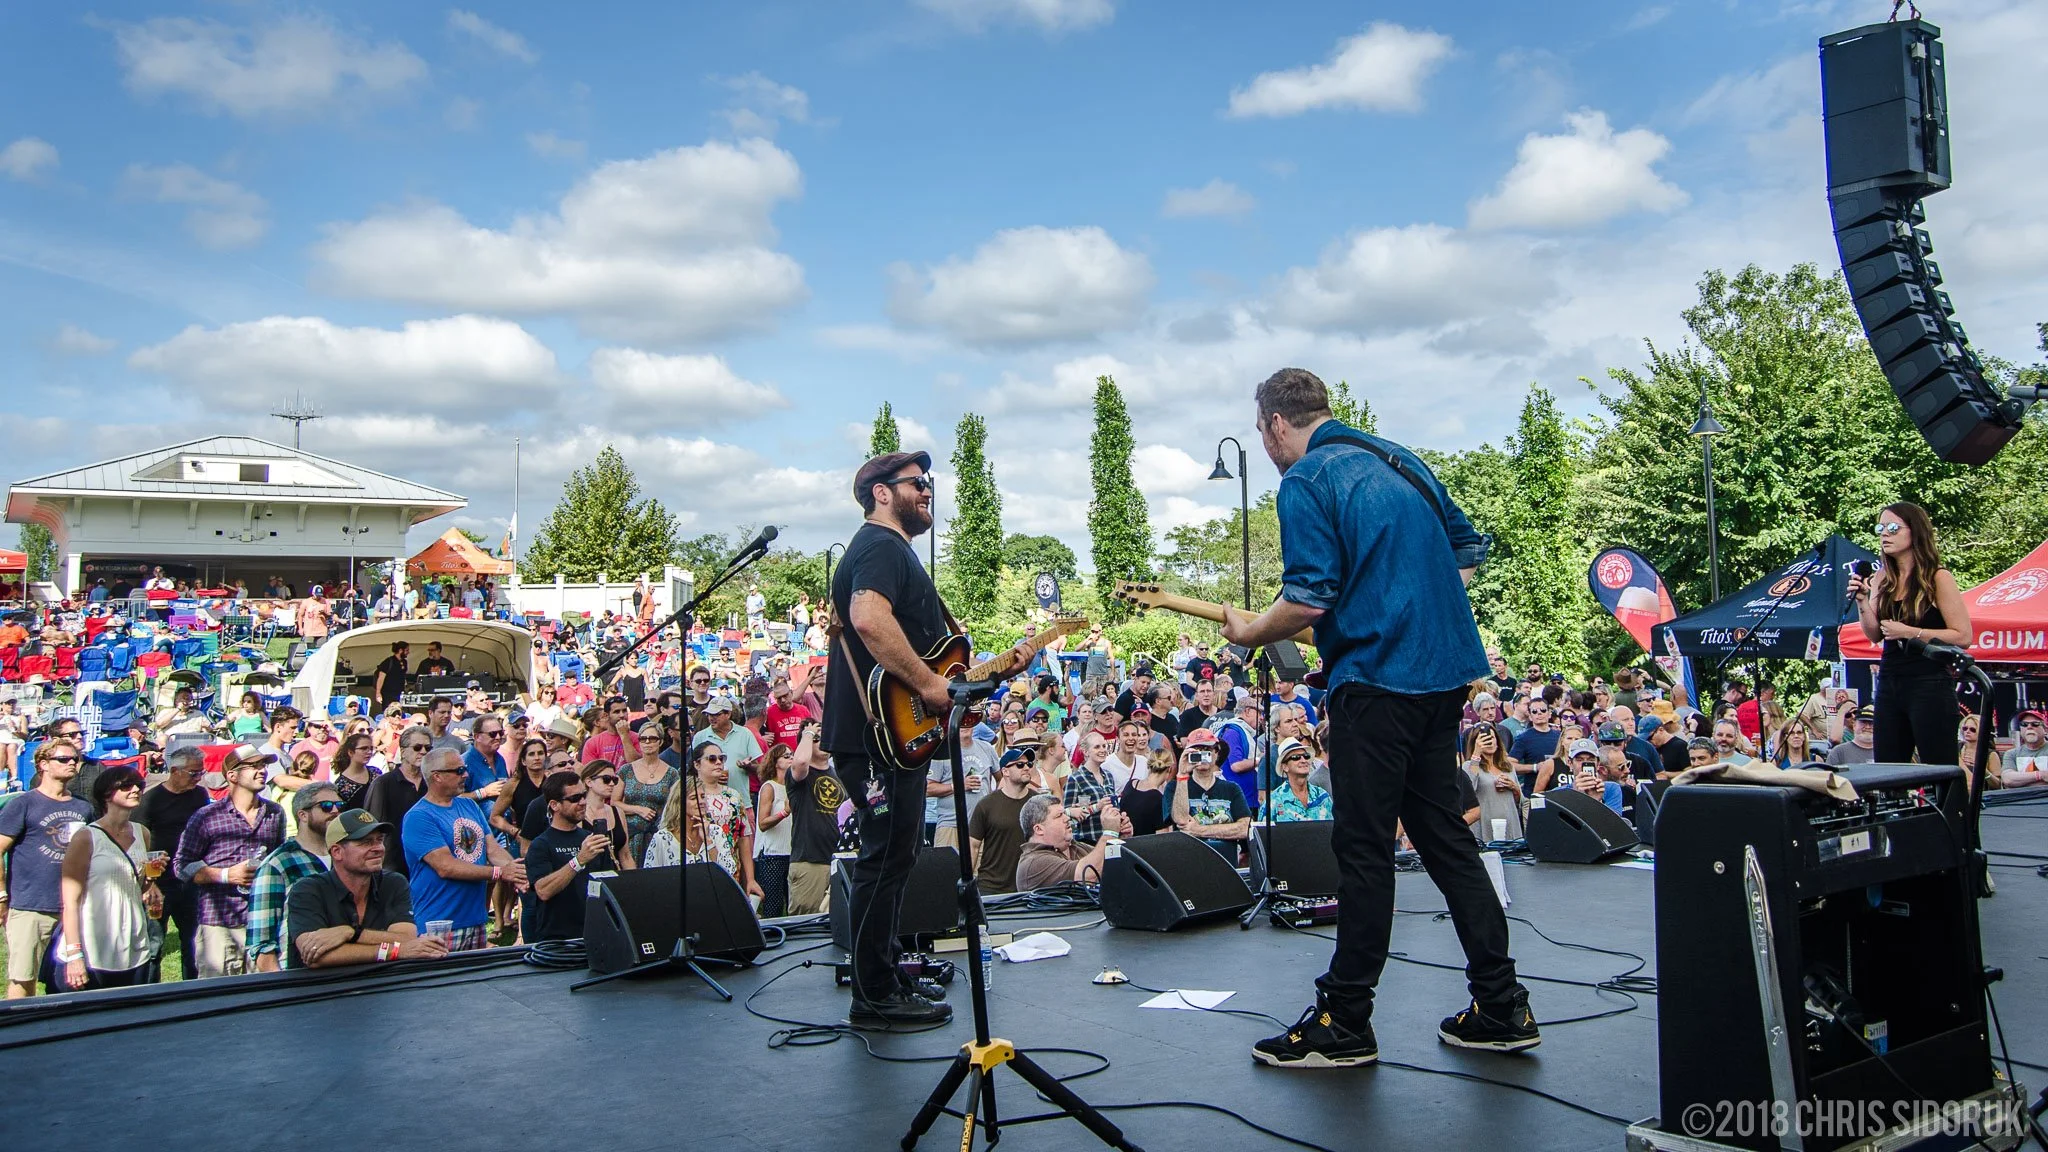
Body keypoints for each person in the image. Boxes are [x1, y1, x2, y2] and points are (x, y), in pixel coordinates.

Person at [1222, 368, 1533, 1069]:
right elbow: (1466, 556)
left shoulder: (1306, 479)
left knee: (1362, 851)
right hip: (1442, 676)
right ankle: (1501, 1003)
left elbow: (1305, 600)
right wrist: (1400, 594)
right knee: (1444, 840)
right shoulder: (1402, 460)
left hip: (1376, 681)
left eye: (1263, 434)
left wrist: (1248, 634)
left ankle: (1345, 1019)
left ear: (1274, 424)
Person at [823, 449, 1036, 1027]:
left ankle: (886, 975)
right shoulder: (880, 545)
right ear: (881, 493)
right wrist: (925, 682)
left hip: (893, 731)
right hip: (875, 734)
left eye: (929, 483)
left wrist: (1000, 669)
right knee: (882, 858)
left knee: (894, 856)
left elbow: (942, 670)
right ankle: (873, 995)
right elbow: (868, 618)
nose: (928, 491)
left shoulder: (889, 551)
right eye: (917, 483)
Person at [1848, 502, 1972, 766]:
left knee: (1938, 765)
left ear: (1915, 532)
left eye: (1893, 528)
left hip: (1929, 681)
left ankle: (1951, 808)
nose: (1884, 534)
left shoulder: (1937, 578)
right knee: (1888, 766)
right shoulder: (1883, 577)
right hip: (1891, 678)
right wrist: (1862, 601)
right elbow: (1874, 634)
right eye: (1880, 528)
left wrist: (1911, 632)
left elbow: (1963, 636)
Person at [171, 745, 287, 979]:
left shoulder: (275, 813)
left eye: (263, 765)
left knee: (263, 1000)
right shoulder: (207, 816)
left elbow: (278, 858)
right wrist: (226, 875)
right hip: (220, 922)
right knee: (218, 999)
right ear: (232, 775)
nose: (262, 770)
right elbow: (181, 865)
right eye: (253, 766)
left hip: (262, 922)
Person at [285, 809, 449, 968]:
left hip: (380, 988)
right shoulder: (307, 890)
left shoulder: (394, 883)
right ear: (337, 852)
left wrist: (351, 933)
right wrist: (395, 951)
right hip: (318, 992)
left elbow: (407, 938)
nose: (378, 848)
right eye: (366, 842)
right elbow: (315, 956)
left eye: (379, 840)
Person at [401, 748, 527, 952]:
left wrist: (517, 872)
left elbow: (493, 850)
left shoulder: (469, 805)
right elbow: (446, 867)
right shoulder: (419, 816)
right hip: (439, 923)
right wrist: (500, 873)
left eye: (465, 769)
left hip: (475, 919)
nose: (466, 775)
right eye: (458, 771)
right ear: (437, 776)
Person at [2, 739, 94, 997]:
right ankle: (19, 1030)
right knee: (23, 978)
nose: (72, 763)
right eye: (63, 759)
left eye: (75, 759)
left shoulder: (83, 807)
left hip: (74, 906)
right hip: (31, 905)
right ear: (43, 764)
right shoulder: (24, 804)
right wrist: (1, 895)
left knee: (73, 978)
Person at [56, 765, 161, 990]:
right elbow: (70, 902)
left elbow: (138, 884)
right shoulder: (86, 837)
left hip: (133, 942)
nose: (135, 790)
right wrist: (74, 955)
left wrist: (152, 883)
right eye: (126, 786)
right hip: (93, 943)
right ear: (107, 794)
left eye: (139, 786)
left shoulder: (142, 833)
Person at [246, 785, 340, 971]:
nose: (336, 811)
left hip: (341, 969)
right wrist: (281, 989)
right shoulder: (277, 864)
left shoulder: (344, 855)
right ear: (302, 815)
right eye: (326, 806)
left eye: (339, 805)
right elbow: (262, 942)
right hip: (295, 973)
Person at [136, 746, 209, 978]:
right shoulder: (150, 800)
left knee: (194, 942)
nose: (198, 778)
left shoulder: (199, 795)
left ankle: (192, 993)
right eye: (193, 773)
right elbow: (138, 843)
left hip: (189, 878)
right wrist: (149, 883)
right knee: (154, 943)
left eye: (201, 773)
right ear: (175, 771)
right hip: (160, 882)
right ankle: (149, 996)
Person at [525, 772, 617, 941]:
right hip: (556, 940)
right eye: (575, 798)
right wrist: (579, 860)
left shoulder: (590, 839)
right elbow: (543, 891)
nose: (583, 802)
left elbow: (608, 885)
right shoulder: (541, 845)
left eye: (583, 795)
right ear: (554, 805)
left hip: (594, 934)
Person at [782, 721, 843, 915]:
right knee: (807, 928)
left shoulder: (839, 774)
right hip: (810, 862)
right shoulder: (800, 775)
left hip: (837, 861)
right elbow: (800, 763)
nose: (822, 741)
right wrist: (808, 733)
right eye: (817, 739)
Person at [1162, 728, 1251, 859]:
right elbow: (1180, 820)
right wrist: (1182, 775)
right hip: (1189, 860)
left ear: (1216, 753)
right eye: (1196, 751)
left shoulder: (1231, 788)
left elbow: (1245, 828)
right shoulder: (1174, 787)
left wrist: (1200, 830)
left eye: (1206, 750)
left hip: (1225, 861)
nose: (1202, 755)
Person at [1014, 794, 1124, 891]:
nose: (1067, 818)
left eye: (1065, 813)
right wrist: (1110, 833)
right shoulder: (1033, 862)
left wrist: (1121, 838)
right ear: (1039, 829)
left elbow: (1114, 866)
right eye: (1059, 816)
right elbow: (1088, 876)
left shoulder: (1075, 847)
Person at [967, 748, 1036, 895]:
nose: (1026, 768)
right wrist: (965, 884)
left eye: (1029, 764)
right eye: (1019, 765)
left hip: (1028, 887)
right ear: (1005, 771)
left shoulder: (1038, 803)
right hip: (991, 887)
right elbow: (973, 846)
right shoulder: (986, 805)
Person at [619, 723, 678, 861]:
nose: (647, 742)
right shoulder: (626, 770)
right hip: (630, 835)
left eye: (652, 738)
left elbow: (674, 806)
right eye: (643, 738)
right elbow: (614, 803)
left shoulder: (672, 773)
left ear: (661, 741)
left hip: (657, 834)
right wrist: (638, 809)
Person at [364, 724, 432, 834]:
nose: (423, 751)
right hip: (393, 848)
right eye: (417, 747)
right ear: (403, 752)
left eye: (428, 748)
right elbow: (372, 824)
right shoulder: (383, 784)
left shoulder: (433, 783)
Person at [1460, 725, 1523, 843]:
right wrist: (1477, 753)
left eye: (1492, 738)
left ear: (1498, 741)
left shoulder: (1508, 767)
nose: (1489, 742)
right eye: (1484, 739)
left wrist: (1513, 787)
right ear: (1475, 743)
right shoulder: (1470, 766)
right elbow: (1470, 787)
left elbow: (1519, 802)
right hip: (1484, 828)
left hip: (1510, 826)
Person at [753, 744, 795, 916]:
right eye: (786, 756)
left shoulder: (793, 787)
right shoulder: (769, 787)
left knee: (792, 903)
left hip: (791, 852)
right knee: (773, 905)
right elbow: (762, 823)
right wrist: (784, 813)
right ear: (775, 762)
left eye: (792, 755)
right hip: (771, 853)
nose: (791, 758)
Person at [694, 696, 764, 787]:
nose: (712, 718)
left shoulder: (745, 733)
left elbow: (759, 768)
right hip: (709, 798)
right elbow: (693, 768)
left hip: (740, 798)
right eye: (709, 714)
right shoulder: (700, 736)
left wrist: (748, 766)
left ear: (728, 714)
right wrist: (711, 776)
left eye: (716, 714)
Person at [2000, 710, 2048, 787]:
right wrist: (2040, 775)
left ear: (2045, 730)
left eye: (2035, 724)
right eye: (2024, 724)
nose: (2029, 727)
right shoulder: (2011, 754)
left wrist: (2021, 781)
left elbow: (2014, 781)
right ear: (2021, 730)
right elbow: (2008, 779)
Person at [372, 642, 410, 712]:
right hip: (388, 694)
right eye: (407, 650)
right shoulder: (388, 662)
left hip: (400, 693)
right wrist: (378, 693)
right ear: (400, 650)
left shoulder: (404, 662)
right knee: (389, 712)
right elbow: (381, 678)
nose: (408, 652)